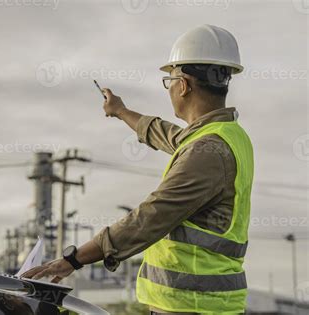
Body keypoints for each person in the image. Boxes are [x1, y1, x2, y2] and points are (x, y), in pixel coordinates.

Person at [22, 24, 254, 314]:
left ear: (183, 85)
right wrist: (120, 111)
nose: (170, 88)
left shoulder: (207, 152)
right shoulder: (226, 136)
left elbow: (150, 218)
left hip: (191, 305)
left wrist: (73, 259)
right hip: (203, 305)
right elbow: (165, 133)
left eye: (169, 80)